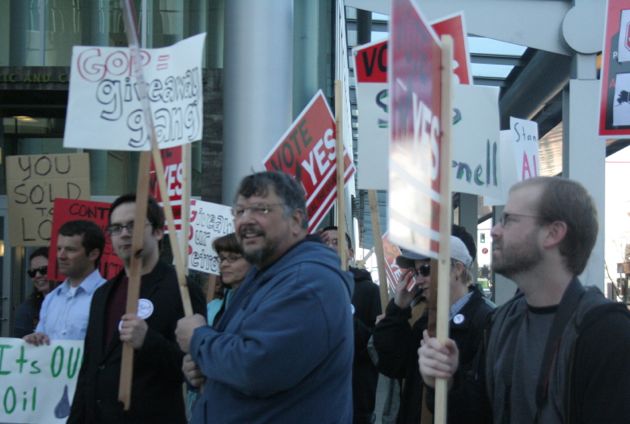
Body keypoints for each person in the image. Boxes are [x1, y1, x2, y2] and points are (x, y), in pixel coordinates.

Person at [419, 176, 630, 423]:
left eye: (509, 220)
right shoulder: (500, 323)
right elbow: (478, 415)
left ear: (553, 233)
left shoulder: (606, 333)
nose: (494, 231)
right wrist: (448, 382)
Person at [175, 171, 354, 423]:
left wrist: (198, 339)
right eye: (239, 211)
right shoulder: (267, 275)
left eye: (262, 209)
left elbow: (255, 367)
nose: (246, 220)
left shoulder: (308, 283)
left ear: (296, 220)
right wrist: (204, 367)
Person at [68, 194, 206, 424]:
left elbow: (194, 369)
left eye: (133, 225)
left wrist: (148, 341)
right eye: (116, 228)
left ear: (158, 232)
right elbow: (90, 369)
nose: (124, 233)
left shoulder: (181, 289)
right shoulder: (103, 294)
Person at [373, 229, 494, 424]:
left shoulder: (486, 321)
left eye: (426, 269)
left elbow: (483, 403)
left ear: (457, 269)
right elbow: (392, 365)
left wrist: (450, 380)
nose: (418, 280)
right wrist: (398, 309)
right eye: (415, 272)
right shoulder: (426, 321)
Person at [320, 225, 382, 424]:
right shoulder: (309, 288)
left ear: (351, 253)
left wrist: (347, 312)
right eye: (325, 242)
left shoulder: (369, 291)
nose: (330, 247)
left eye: (336, 242)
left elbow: (374, 347)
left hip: (355, 392)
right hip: (318, 393)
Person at [24, 220, 106, 345]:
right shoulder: (51, 298)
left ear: (93, 254)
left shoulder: (109, 296)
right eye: (59, 249)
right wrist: (35, 339)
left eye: (70, 250)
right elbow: (41, 341)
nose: (61, 256)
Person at [207, 232, 251, 326]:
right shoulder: (211, 307)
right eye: (222, 259)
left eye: (233, 258)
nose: (223, 264)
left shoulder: (263, 306)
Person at [13, 247, 54, 338]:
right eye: (32, 272)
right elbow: (20, 342)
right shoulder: (27, 309)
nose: (37, 275)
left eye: (44, 270)